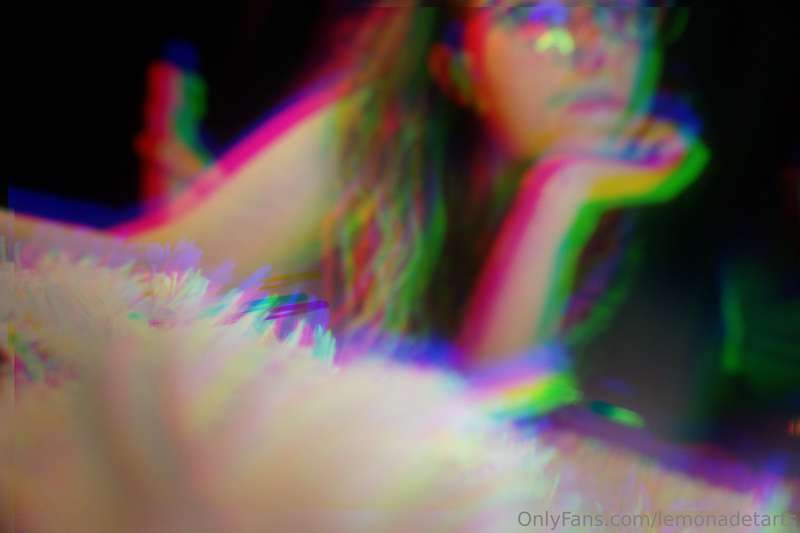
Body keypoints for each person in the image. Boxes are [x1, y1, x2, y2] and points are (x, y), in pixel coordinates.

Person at [2, 2, 705, 371]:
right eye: (538, 16)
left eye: (621, 10)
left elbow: (496, 421)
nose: (593, 47)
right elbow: (128, 279)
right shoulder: (360, 145)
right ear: (458, 65)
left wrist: (560, 197)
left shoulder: (601, 194)